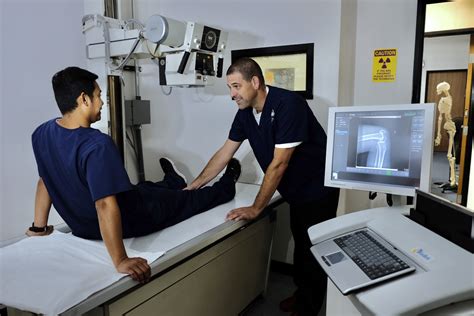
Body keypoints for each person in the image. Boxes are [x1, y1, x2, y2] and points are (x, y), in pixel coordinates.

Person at [26, 66, 241, 284]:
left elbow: (45, 181)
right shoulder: (97, 144)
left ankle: (173, 180)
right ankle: (227, 184)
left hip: (83, 227)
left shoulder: (41, 134)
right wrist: (120, 260)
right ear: (84, 99)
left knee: (143, 188)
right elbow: (104, 205)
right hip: (133, 218)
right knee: (189, 199)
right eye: (99, 96)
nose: (102, 102)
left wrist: (39, 227)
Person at [186, 58, 339, 316]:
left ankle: (308, 307)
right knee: (301, 244)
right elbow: (225, 153)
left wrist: (257, 208)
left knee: (311, 250)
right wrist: (195, 185)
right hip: (294, 189)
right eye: (229, 87)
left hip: (317, 189)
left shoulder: (289, 105)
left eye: (236, 86)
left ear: (255, 82)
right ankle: (303, 294)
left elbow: (279, 164)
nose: (232, 94)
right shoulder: (245, 114)